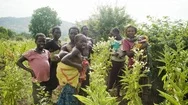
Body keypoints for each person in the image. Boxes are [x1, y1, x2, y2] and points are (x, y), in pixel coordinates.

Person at [16, 33, 51, 104]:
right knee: (37, 96)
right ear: (35, 42)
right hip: (37, 79)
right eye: (39, 41)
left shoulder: (47, 52)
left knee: (45, 96)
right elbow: (18, 62)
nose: (42, 43)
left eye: (43, 41)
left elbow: (49, 62)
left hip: (46, 78)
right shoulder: (31, 52)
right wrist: (30, 70)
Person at [56, 34, 89, 105]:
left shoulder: (78, 50)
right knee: (69, 91)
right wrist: (77, 65)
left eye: (85, 42)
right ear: (76, 42)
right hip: (68, 73)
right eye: (81, 42)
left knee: (68, 92)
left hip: (72, 74)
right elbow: (64, 60)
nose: (84, 44)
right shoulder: (76, 50)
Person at [107, 28, 125, 97]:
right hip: (114, 61)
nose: (111, 35)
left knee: (120, 77)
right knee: (112, 77)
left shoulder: (124, 41)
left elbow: (126, 50)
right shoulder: (112, 41)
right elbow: (109, 50)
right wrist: (113, 54)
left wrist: (121, 55)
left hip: (122, 61)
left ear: (117, 32)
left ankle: (118, 92)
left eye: (112, 34)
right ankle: (109, 91)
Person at [45, 26, 61, 93]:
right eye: (56, 32)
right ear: (52, 33)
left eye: (59, 32)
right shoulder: (50, 42)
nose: (58, 34)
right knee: (52, 79)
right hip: (52, 65)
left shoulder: (59, 42)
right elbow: (44, 52)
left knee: (57, 80)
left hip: (59, 64)